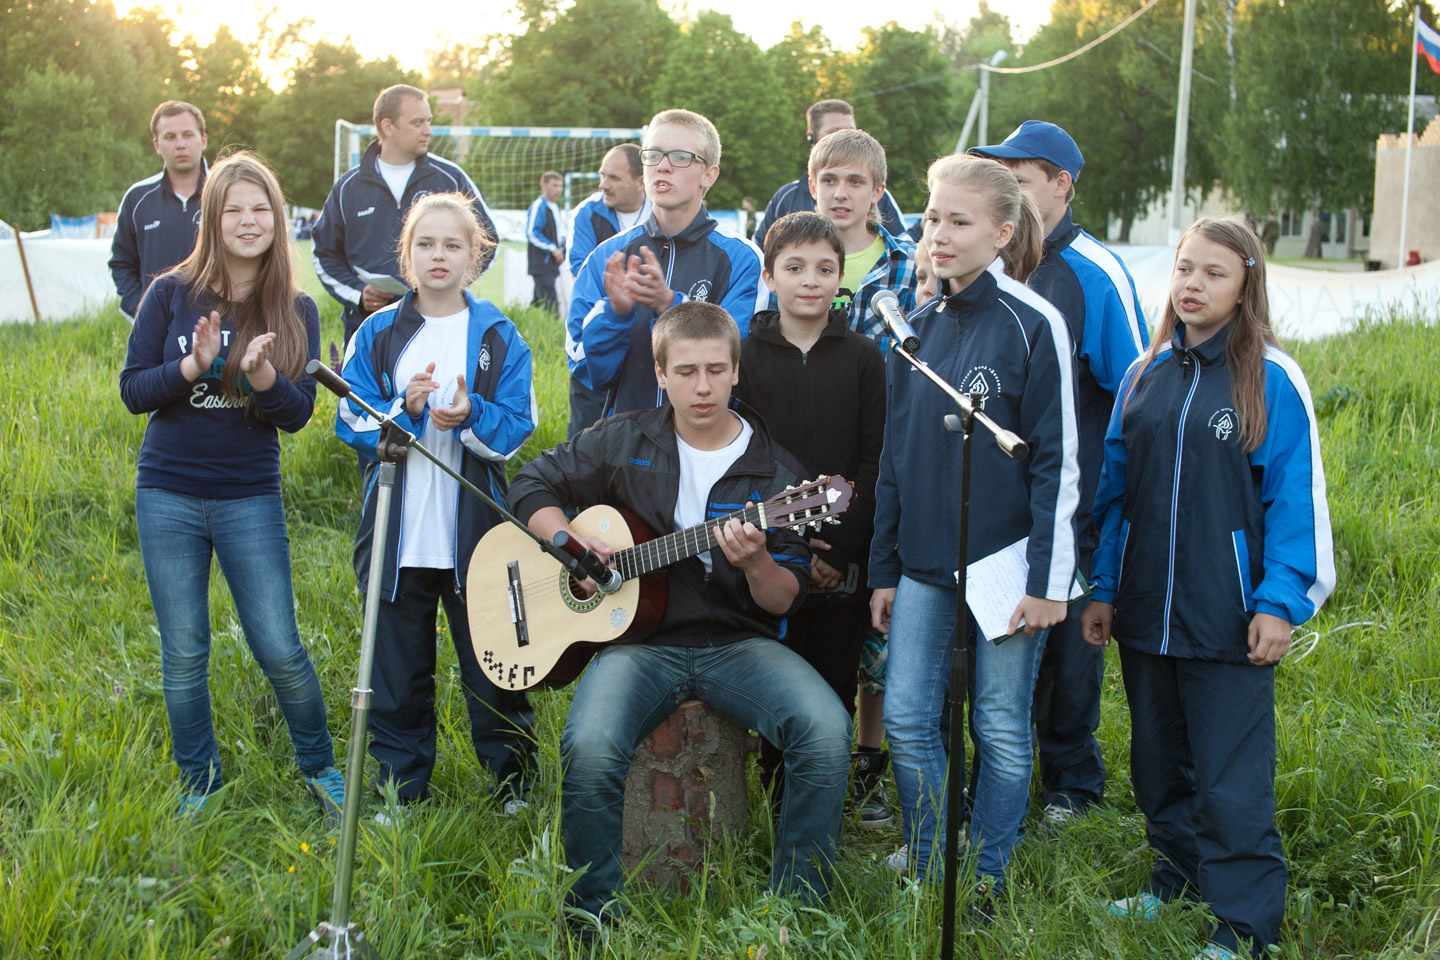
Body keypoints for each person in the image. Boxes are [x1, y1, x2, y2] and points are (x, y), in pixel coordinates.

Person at [509, 301, 852, 930]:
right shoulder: (624, 439)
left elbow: (785, 599)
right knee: (589, 744)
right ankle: (592, 918)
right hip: (636, 643)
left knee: (827, 730)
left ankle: (798, 912)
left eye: (716, 370)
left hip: (737, 645)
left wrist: (756, 564)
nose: (703, 387)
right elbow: (531, 483)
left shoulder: (779, 477)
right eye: (687, 371)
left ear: (736, 371)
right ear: (660, 374)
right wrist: (571, 547)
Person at [1081, 215, 1335, 960]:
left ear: (1245, 286)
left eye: (1214, 273)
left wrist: (1278, 603)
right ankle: (1175, 879)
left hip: (1229, 618)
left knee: (1230, 780)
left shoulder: (1271, 377)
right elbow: (1114, 499)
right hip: (1144, 613)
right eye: (1185, 268)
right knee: (1158, 764)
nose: (1192, 284)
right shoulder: (1144, 375)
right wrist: (1104, 589)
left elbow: (1295, 502)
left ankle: (1244, 927)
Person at [869, 155, 1079, 908]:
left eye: (959, 222)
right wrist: (884, 568)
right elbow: (894, 458)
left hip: (1008, 569)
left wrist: (1048, 583)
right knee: (906, 717)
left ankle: (986, 874)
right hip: (925, 565)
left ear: (1003, 232)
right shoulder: (915, 330)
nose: (940, 235)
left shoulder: (1034, 323)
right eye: (932, 219)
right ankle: (933, 857)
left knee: (999, 723)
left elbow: (1060, 462)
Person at [118, 152, 343, 822]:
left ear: (278, 218)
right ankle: (200, 782)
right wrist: (193, 365)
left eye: (260, 208)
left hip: (249, 496)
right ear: (212, 219)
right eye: (234, 209)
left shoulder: (296, 307)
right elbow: (133, 391)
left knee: (278, 645)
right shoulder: (169, 294)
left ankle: (321, 768)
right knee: (185, 650)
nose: (249, 220)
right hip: (168, 493)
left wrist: (262, 376)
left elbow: (296, 415)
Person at [334, 193, 538, 816]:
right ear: (408, 254)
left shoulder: (499, 334)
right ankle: (401, 790)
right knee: (396, 670)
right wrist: (408, 410)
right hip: (398, 533)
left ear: (474, 255)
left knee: (493, 662)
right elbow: (350, 418)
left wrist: (470, 413)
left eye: (453, 244)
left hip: (476, 533)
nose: (438, 255)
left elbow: (518, 426)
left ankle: (513, 785)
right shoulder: (376, 331)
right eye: (425, 244)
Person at [970, 120, 1148, 823]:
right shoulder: (987, 260)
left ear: (1061, 184)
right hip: (996, 507)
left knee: (1071, 655)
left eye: (1019, 180)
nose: (1007, 193)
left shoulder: (1093, 271)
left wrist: (1110, 504)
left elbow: (1136, 393)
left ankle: (1072, 785)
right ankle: (993, 785)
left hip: (1074, 508)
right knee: (1000, 644)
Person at [734, 212, 888, 825]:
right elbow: (737, 457)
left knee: (831, 681)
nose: (810, 280)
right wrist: (777, 547)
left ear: (840, 277)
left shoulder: (864, 358)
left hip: (841, 562)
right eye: (794, 267)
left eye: (825, 269)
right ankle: (775, 806)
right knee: (774, 681)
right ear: (769, 277)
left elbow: (876, 459)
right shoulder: (743, 356)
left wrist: (841, 548)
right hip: (766, 556)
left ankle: (822, 806)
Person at [565, 108, 766, 421]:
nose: (663, 166)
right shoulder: (607, 256)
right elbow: (587, 371)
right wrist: (615, 315)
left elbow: (740, 362)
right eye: (653, 155)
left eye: (681, 157)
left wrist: (670, 306)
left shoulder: (743, 258)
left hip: (707, 440)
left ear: (709, 174)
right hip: (627, 440)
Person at [313, 84, 497, 348]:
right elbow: (324, 253)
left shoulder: (450, 178)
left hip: (436, 324)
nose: (428, 130)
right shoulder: (347, 187)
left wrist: (445, 289)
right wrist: (358, 293)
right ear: (388, 127)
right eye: (418, 122)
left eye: (429, 121)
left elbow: (488, 241)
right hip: (366, 327)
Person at [566, 144, 650, 438]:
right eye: (602, 175)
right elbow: (581, 269)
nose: (603, 184)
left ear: (641, 181)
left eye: (613, 177)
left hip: (646, 337)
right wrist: (621, 300)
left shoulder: (662, 212)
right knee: (586, 434)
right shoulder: (586, 212)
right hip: (598, 332)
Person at [805, 129, 917, 339]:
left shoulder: (911, 264)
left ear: (877, 191)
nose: (840, 194)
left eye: (855, 182)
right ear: (813, 187)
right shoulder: (789, 261)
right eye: (829, 180)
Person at [753, 99, 907, 245]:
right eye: (835, 132)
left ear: (877, 192)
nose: (844, 139)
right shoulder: (786, 197)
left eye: (855, 182)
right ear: (811, 137)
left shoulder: (879, 195)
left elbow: (902, 244)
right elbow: (761, 252)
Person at [110, 101, 209, 321]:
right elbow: (121, 263)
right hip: (157, 326)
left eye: (187, 135)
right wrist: (140, 309)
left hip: (219, 323)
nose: (180, 145)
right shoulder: (137, 198)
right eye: (170, 137)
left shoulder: (227, 192)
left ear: (203, 140)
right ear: (157, 144)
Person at [525, 170, 565, 313]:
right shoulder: (539, 206)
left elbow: (557, 235)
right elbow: (532, 233)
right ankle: (554, 325)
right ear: (544, 185)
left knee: (538, 301)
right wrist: (552, 249)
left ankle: (525, 321)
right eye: (554, 185)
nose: (558, 189)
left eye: (560, 186)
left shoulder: (556, 208)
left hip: (552, 263)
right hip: (542, 263)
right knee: (550, 301)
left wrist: (562, 246)